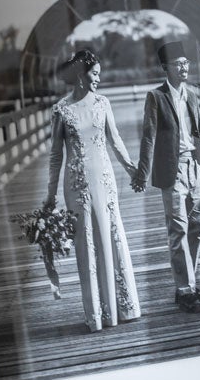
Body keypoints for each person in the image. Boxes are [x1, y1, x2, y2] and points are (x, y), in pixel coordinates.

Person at [39, 48, 143, 333]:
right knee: (86, 244)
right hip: (77, 187)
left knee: (112, 236)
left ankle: (124, 306)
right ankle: (97, 313)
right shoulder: (61, 110)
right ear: (81, 76)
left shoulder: (103, 103)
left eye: (99, 73)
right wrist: (50, 196)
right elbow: (55, 156)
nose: (99, 78)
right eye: (95, 74)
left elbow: (115, 139)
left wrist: (132, 169)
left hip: (105, 181)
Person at [134, 39, 200, 312]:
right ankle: (184, 289)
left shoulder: (190, 94)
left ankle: (190, 283)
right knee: (177, 229)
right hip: (173, 170)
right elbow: (148, 137)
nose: (183, 67)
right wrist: (142, 172)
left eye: (185, 63)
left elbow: (198, 131)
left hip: (196, 168)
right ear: (165, 68)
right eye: (178, 64)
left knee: (196, 228)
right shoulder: (155, 97)